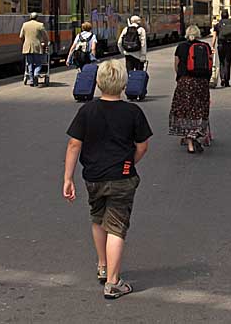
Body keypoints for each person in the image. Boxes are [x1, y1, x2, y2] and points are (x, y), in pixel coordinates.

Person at [62, 59, 152, 299]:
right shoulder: (133, 111)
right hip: (122, 177)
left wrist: (67, 178)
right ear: (123, 83)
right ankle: (113, 282)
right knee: (117, 227)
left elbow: (73, 144)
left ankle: (102, 265)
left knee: (98, 219)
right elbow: (143, 146)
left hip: (93, 177)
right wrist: (129, 161)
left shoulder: (87, 110)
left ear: (98, 82)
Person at [169, 25, 212, 153]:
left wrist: (180, 77)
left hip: (185, 83)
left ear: (187, 34)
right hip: (202, 83)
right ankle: (196, 135)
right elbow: (209, 66)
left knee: (185, 111)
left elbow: (176, 65)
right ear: (198, 34)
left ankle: (189, 143)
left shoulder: (181, 47)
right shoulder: (205, 46)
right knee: (200, 110)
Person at [19, 12, 49, 87]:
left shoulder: (25, 25)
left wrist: (24, 42)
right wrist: (45, 44)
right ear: (37, 18)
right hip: (37, 47)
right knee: (38, 63)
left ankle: (32, 80)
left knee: (30, 64)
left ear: (30, 17)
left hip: (27, 47)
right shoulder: (40, 25)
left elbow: (21, 36)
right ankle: (36, 74)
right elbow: (45, 37)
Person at [211, 10, 231, 87]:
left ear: (221, 16)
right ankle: (227, 80)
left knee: (221, 62)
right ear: (228, 16)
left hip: (220, 45)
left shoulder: (217, 25)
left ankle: (222, 78)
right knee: (228, 62)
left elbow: (214, 37)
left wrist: (212, 46)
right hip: (229, 45)